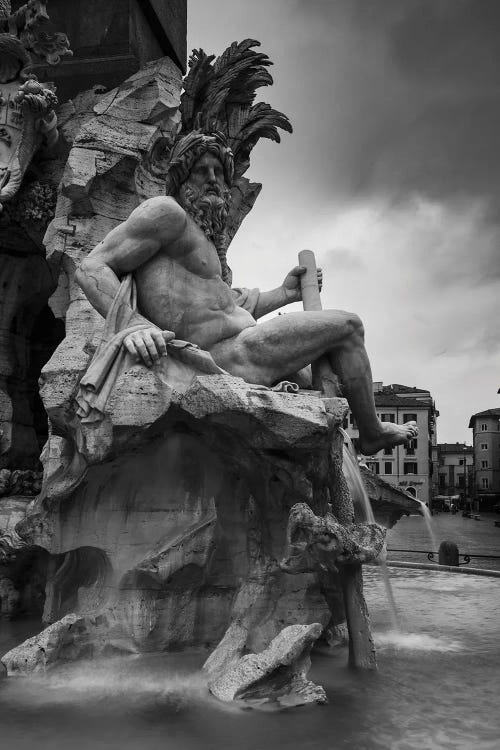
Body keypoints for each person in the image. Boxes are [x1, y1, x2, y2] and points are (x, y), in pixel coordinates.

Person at [76, 132, 417, 454]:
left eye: (220, 174)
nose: (213, 179)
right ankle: (371, 433)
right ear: (182, 180)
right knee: (349, 326)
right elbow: (91, 267)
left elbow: (231, 306)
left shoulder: (204, 241)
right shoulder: (166, 213)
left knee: (317, 377)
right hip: (231, 356)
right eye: (201, 171)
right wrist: (135, 326)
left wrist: (284, 294)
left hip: (246, 346)